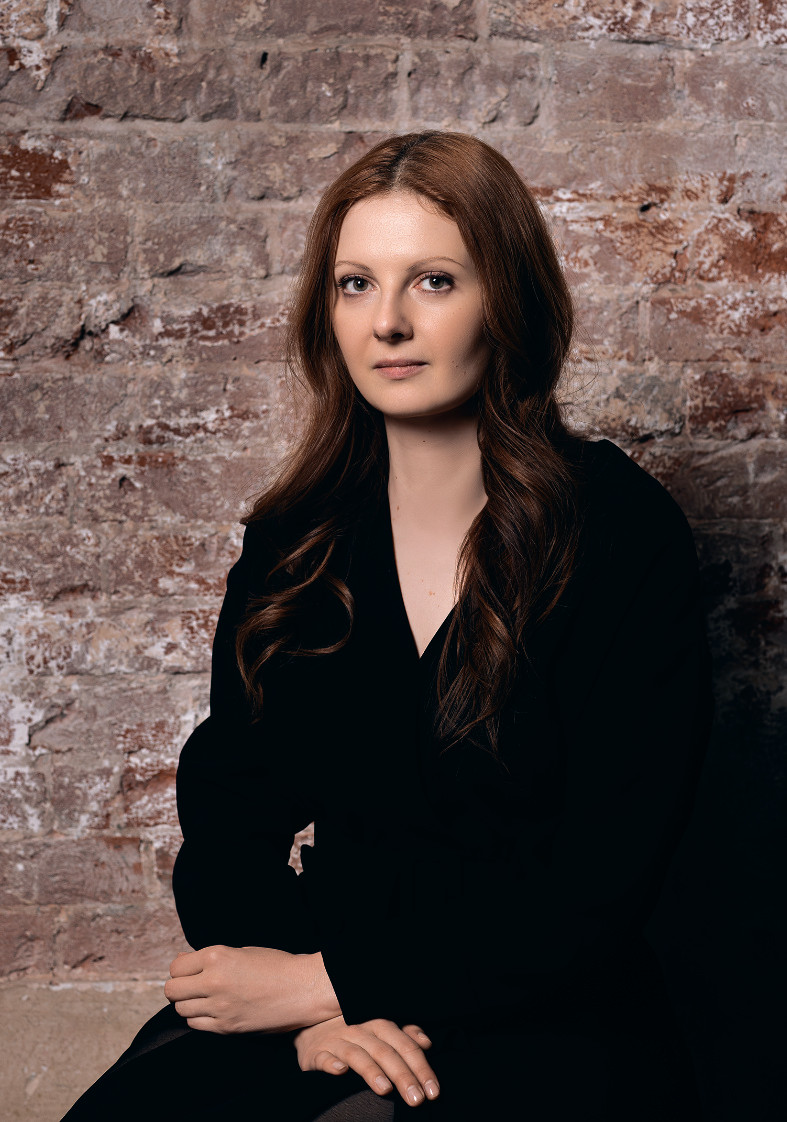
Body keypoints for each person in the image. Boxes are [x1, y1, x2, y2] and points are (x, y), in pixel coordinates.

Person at [61, 130, 714, 1121]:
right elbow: (228, 817)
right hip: (320, 986)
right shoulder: (299, 541)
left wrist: (330, 982)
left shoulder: (618, 531)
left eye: (434, 282)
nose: (389, 322)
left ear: (508, 299)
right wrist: (303, 1010)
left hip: (549, 1006)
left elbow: (603, 877)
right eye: (355, 284)